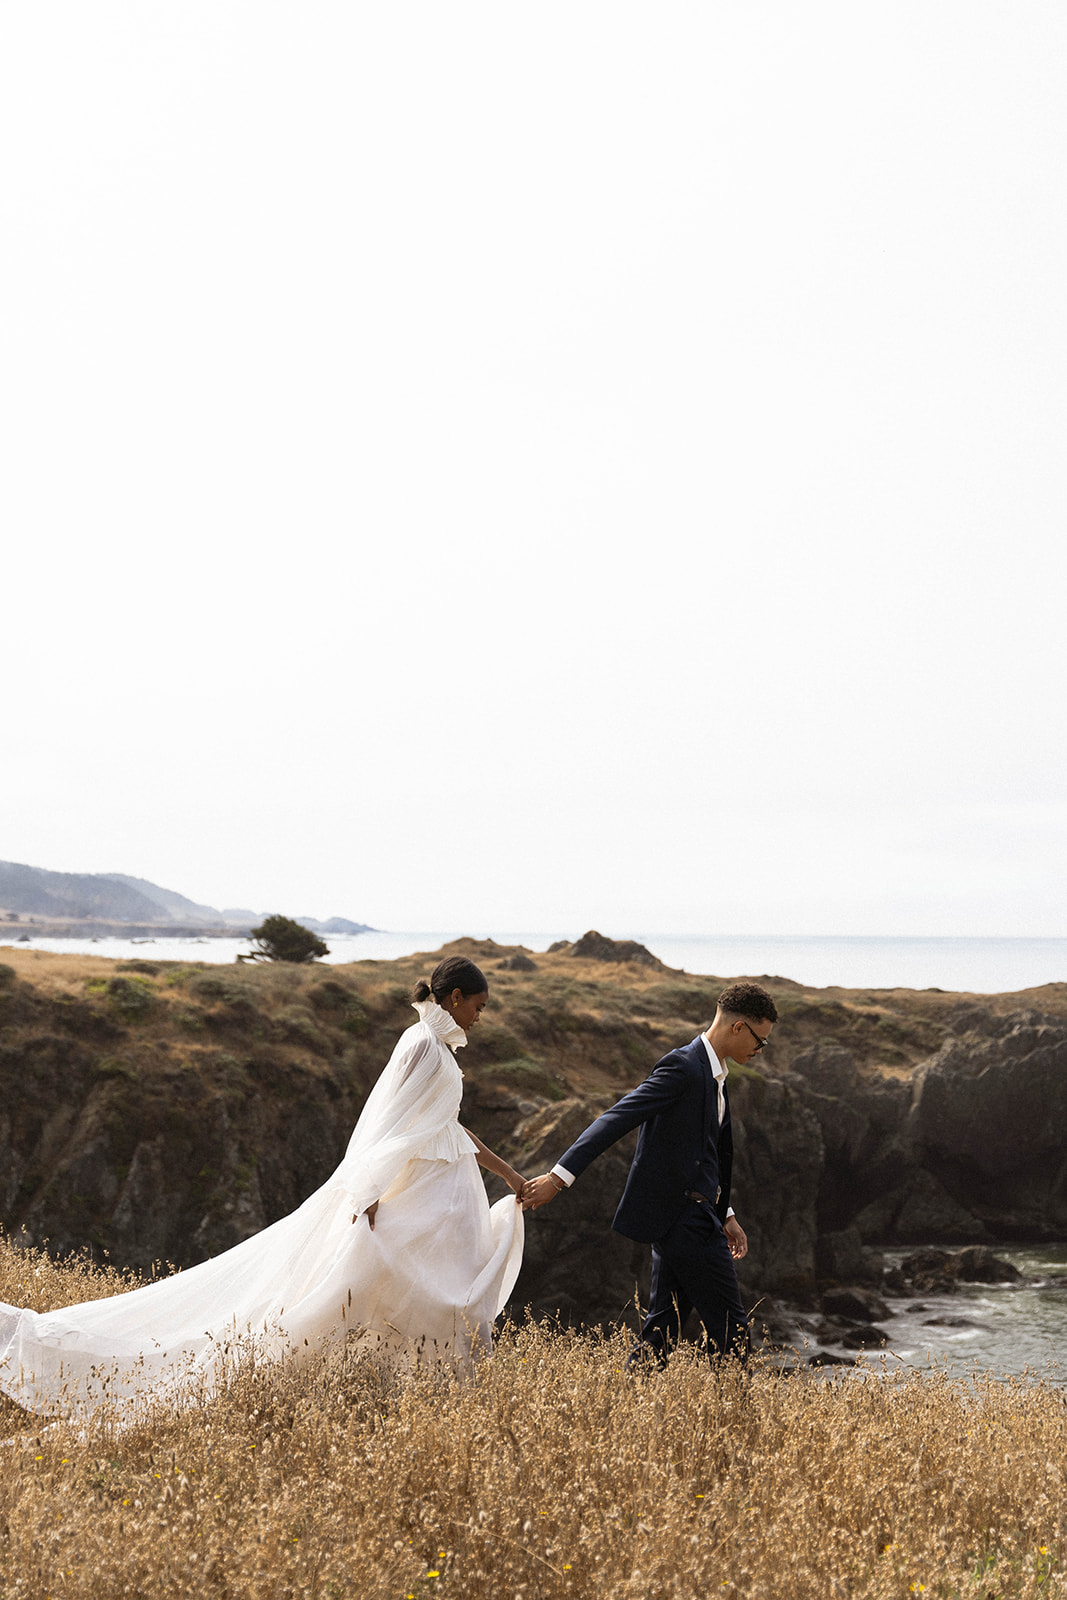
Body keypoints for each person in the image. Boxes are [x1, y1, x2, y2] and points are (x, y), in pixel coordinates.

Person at [0, 956, 526, 1419]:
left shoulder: (438, 1047)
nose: (480, 1016)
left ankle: (423, 1401)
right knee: (384, 1296)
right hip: (413, 1203)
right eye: (477, 1006)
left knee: (438, 1301)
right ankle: (329, 1386)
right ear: (454, 998)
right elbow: (384, 1123)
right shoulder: (425, 1048)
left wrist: (506, 1173)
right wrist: (366, 1194)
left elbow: (446, 1128)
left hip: (436, 1204)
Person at [522, 982, 778, 1368]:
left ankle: (629, 1408)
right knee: (733, 1334)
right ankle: (735, 1424)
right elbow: (617, 1117)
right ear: (739, 1028)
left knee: (661, 1333)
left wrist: (725, 1213)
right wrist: (558, 1179)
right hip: (685, 1222)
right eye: (761, 1041)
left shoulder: (715, 1076)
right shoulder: (683, 1067)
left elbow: (702, 1155)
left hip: (693, 1217)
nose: (760, 1051)